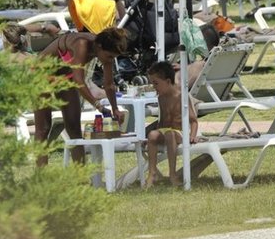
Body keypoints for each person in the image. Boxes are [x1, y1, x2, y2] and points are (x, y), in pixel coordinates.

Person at [34, 27, 128, 165]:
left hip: (64, 77)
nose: (110, 60)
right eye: (109, 56)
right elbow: (79, 81)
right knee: (43, 128)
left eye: (113, 57)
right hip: (41, 73)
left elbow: (109, 85)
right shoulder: (82, 44)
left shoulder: (105, 50)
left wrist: (115, 109)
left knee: (74, 128)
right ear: (99, 47)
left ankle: (81, 174)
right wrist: (98, 105)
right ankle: (41, 175)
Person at [145, 61, 198, 188]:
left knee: (169, 134)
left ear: (168, 81)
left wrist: (193, 136)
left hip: (180, 132)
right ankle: (152, 173)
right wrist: (151, 135)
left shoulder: (182, 96)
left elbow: (193, 120)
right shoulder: (161, 98)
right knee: (152, 135)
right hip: (166, 131)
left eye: (156, 83)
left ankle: (172, 174)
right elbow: (162, 121)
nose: (154, 87)